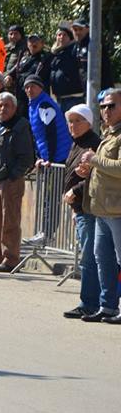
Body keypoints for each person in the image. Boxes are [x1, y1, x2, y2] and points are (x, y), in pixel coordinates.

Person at [60, 104, 109, 320]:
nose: (73, 125)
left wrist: (75, 191)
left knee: (89, 258)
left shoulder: (93, 144)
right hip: (80, 208)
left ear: (89, 123)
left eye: (78, 120)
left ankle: (89, 303)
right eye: (70, 121)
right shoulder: (77, 143)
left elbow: (95, 176)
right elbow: (74, 173)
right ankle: (92, 302)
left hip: (89, 207)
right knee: (88, 256)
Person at [76, 90, 121, 323]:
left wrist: (94, 160)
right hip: (102, 208)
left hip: (117, 209)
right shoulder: (108, 134)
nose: (106, 111)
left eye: (111, 106)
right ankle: (108, 306)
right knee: (102, 258)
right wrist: (88, 170)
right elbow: (105, 169)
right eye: (103, 106)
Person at [0, 92, 36, 272]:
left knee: (10, 222)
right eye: (0, 105)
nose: (3, 109)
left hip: (10, 181)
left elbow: (27, 157)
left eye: (7, 105)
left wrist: (13, 176)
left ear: (14, 107)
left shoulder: (20, 126)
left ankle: (11, 259)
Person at [24, 75, 70, 164]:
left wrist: (50, 158)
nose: (29, 90)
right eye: (27, 87)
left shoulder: (44, 105)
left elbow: (51, 131)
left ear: (40, 88)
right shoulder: (33, 105)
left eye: (33, 86)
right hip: (49, 156)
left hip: (59, 156)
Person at [50, 25, 84, 113]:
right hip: (60, 98)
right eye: (59, 35)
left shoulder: (74, 50)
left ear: (70, 38)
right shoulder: (55, 53)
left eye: (65, 35)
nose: (61, 37)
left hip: (74, 98)